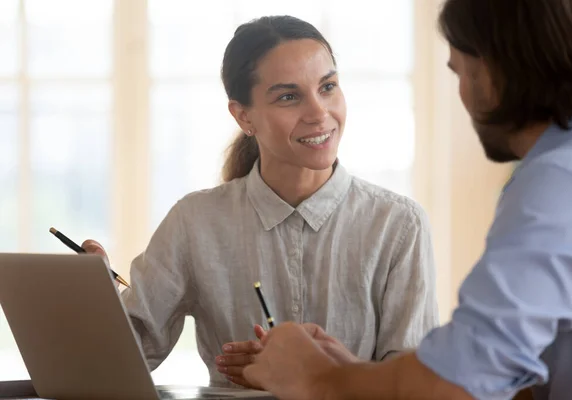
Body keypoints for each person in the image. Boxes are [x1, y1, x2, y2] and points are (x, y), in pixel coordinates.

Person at [241, 0, 572, 399]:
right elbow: (507, 380)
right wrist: (356, 374)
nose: (463, 94)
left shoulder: (564, 182)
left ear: (494, 71)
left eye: (461, 73)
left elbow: (456, 386)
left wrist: (315, 378)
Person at [83, 15, 438, 389]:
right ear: (243, 116)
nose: (319, 113)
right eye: (289, 96)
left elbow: (414, 389)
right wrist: (94, 296)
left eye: (328, 87)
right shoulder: (194, 222)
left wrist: (320, 373)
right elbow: (120, 364)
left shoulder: (399, 225)